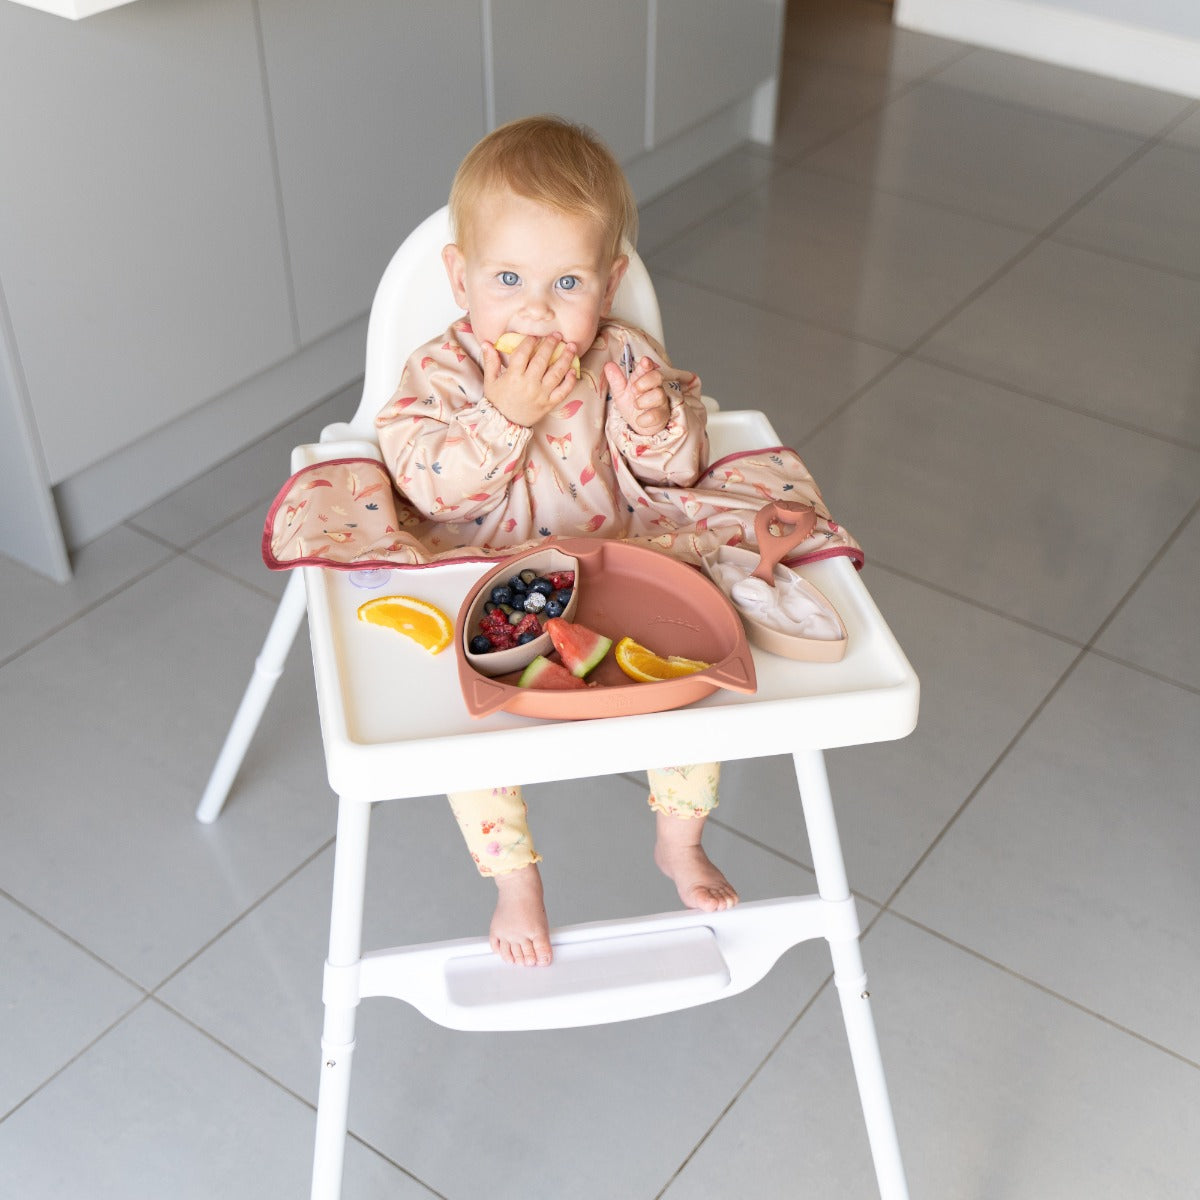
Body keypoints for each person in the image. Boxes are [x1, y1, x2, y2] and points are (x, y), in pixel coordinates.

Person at [374, 115, 738, 968]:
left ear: (607, 286)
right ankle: (514, 880)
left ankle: (679, 842)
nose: (537, 309)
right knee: (468, 734)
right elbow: (424, 483)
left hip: (612, 575)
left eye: (566, 282)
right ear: (461, 278)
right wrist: (504, 419)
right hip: (487, 591)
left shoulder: (621, 358)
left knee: (699, 694)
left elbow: (679, 475)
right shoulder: (443, 372)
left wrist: (657, 423)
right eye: (508, 277)